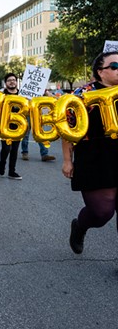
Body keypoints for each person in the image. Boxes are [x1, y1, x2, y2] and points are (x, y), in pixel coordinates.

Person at [62, 51, 118, 254]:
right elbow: (67, 130)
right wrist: (67, 160)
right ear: (100, 72)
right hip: (94, 157)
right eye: (115, 66)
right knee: (101, 212)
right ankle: (80, 226)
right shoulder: (82, 95)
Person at [0, 73, 22, 180]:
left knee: (14, 150)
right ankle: (2, 163)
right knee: (6, 148)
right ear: (5, 83)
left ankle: (12, 171)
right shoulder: (1, 96)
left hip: (19, 127)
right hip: (4, 126)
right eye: (9, 80)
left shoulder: (22, 95)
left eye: (14, 80)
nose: (12, 82)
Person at [21, 90, 56, 162]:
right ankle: (25, 152)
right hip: (28, 113)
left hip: (38, 114)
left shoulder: (43, 89)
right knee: (26, 133)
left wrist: (46, 92)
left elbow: (53, 98)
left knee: (40, 133)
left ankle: (44, 154)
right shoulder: (26, 89)